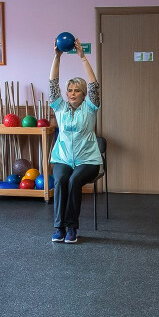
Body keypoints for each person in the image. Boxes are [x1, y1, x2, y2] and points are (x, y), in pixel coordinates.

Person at [48, 36, 102, 244]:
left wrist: (82, 57)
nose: (71, 94)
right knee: (61, 180)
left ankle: (72, 228)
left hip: (88, 160)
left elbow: (94, 84)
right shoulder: (60, 107)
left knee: (73, 181)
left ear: (83, 94)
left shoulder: (90, 107)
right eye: (69, 90)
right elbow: (53, 84)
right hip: (63, 158)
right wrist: (57, 56)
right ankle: (59, 227)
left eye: (76, 90)